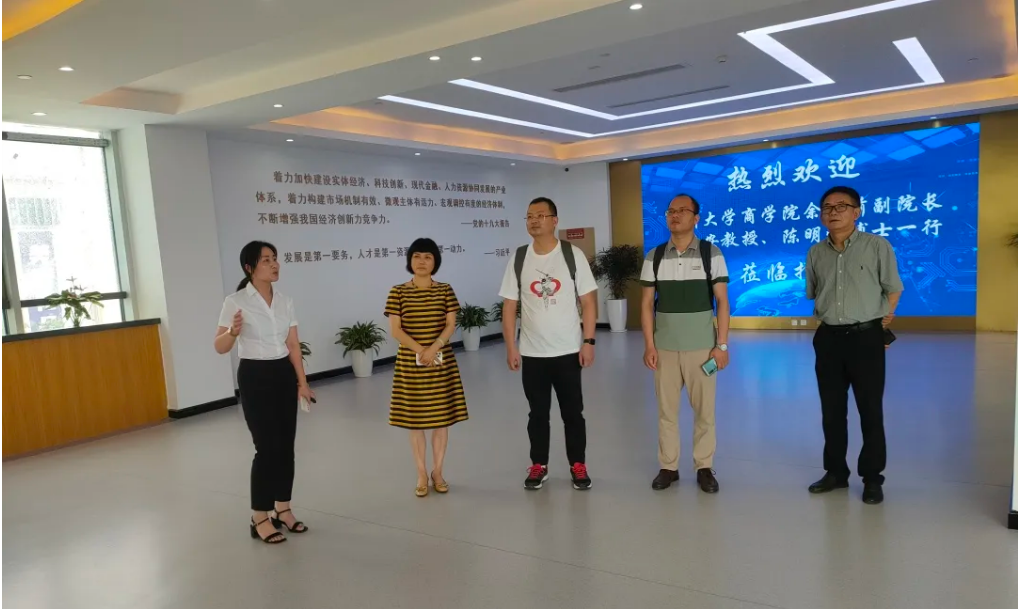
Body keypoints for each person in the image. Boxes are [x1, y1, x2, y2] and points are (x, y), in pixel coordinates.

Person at [806, 185, 903, 505]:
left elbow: (893, 288)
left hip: (865, 338)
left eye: (841, 206)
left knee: (870, 410)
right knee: (831, 411)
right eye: (827, 207)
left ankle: (872, 478)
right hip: (828, 339)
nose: (833, 212)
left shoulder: (877, 246)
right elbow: (815, 291)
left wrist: (880, 324)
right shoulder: (815, 252)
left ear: (856, 212)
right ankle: (836, 472)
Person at [215, 240, 315, 544]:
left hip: (283, 373)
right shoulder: (235, 301)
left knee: (286, 446)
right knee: (266, 448)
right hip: (255, 376)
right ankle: (259, 515)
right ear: (250, 268)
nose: (274, 264)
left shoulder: (285, 301)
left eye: (275, 258)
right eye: (266, 260)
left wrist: (302, 382)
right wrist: (232, 331)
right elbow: (220, 346)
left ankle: (283, 509)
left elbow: (293, 345)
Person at [499, 197, 599, 491]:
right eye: (530, 216)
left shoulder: (572, 254)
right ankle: (538, 465)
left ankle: (578, 464)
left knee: (572, 413)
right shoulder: (519, 258)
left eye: (541, 215)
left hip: (568, 351)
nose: (534, 220)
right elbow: (509, 306)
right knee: (537, 414)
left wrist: (588, 341)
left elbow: (588, 301)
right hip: (532, 353)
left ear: (555, 221)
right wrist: (511, 346)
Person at [640, 194, 730, 493]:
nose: (674, 215)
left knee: (705, 412)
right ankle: (668, 467)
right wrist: (649, 345)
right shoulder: (654, 256)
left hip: (702, 349)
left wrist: (722, 346)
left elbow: (722, 302)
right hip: (664, 348)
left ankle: (704, 467)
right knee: (666, 412)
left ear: (696, 218)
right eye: (670, 211)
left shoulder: (710, 253)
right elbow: (646, 303)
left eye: (682, 211)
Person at [385, 238, 468, 497]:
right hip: (410, 363)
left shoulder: (445, 290)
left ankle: (438, 472)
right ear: (409, 260)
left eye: (428, 257)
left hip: (441, 362)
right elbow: (396, 330)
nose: (422, 261)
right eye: (417, 256)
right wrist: (422, 351)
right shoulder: (397, 292)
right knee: (415, 422)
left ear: (435, 262)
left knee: (441, 421)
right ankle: (421, 473)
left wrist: (435, 347)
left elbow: (450, 324)